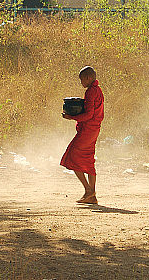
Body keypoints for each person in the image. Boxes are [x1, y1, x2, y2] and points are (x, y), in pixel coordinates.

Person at [60, 66, 104, 204]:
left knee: (72, 157)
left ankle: (89, 190)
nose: (81, 83)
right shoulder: (98, 90)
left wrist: (72, 117)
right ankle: (91, 195)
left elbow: (89, 114)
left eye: (81, 80)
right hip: (94, 129)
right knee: (88, 159)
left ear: (88, 78)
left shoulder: (91, 92)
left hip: (88, 130)